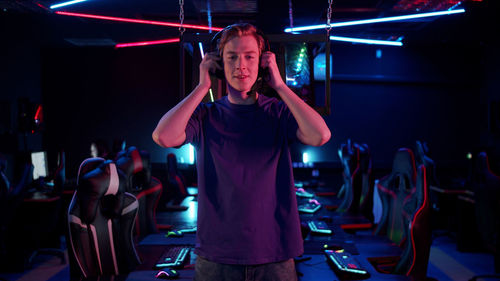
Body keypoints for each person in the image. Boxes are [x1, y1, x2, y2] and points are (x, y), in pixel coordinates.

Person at [152, 23, 331, 281]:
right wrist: (203, 86)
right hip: (217, 257)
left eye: (250, 57)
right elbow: (163, 136)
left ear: (263, 63)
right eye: (232, 57)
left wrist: (280, 85)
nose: (241, 65)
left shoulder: (277, 113)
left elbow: (321, 135)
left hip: (275, 255)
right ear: (218, 65)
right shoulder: (205, 116)